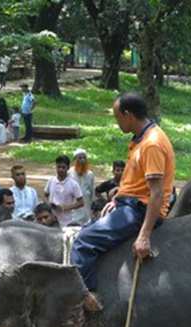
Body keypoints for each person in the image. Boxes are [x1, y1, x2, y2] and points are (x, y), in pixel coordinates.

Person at [70, 92, 175, 296]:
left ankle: (85, 296)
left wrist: (144, 235)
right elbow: (137, 184)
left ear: (128, 115)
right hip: (129, 205)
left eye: (117, 117)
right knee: (86, 228)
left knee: (84, 241)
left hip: (139, 211)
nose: (116, 122)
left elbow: (156, 193)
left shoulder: (151, 144)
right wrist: (118, 200)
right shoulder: (141, 138)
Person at [44, 155, 85, 228]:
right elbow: (45, 195)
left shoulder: (73, 184)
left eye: (63, 167)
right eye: (59, 167)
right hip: (51, 219)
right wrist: (49, 205)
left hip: (66, 220)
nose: (60, 170)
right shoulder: (51, 181)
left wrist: (65, 208)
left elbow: (81, 202)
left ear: (68, 168)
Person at [70, 149, 96, 225]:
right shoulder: (69, 173)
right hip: (74, 210)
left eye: (84, 158)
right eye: (80, 158)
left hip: (87, 209)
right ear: (75, 160)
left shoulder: (90, 175)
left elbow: (92, 192)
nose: (82, 160)